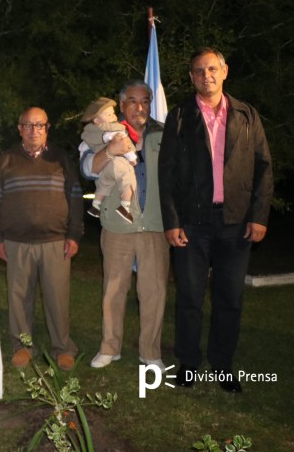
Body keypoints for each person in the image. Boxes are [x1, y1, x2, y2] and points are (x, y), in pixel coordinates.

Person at [159, 48, 273, 393]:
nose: (205, 75)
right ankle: (189, 364)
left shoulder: (247, 115)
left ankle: (223, 366)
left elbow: (264, 168)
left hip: (236, 223)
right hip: (192, 224)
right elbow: (167, 174)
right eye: (198, 71)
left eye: (212, 68)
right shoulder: (180, 116)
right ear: (191, 77)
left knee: (229, 299)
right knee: (190, 298)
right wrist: (172, 221)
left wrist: (259, 215)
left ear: (224, 71)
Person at [79, 81, 169, 370]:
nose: (139, 106)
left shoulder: (163, 135)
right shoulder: (105, 131)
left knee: (153, 292)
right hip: (117, 226)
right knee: (113, 290)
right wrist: (112, 149)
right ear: (121, 104)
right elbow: (87, 167)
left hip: (155, 227)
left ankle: (150, 352)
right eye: (132, 100)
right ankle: (110, 348)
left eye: (145, 101)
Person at [0, 107, 83, 371]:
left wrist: (74, 234)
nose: (33, 131)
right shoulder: (6, 159)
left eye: (39, 125)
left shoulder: (61, 158)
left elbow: (75, 197)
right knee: (19, 298)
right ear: (19, 129)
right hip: (16, 242)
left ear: (47, 128)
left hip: (55, 241)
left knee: (57, 298)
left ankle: (63, 348)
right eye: (27, 125)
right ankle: (22, 346)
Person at [80, 96, 138, 223]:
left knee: (104, 185)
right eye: (109, 114)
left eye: (113, 113)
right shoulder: (117, 129)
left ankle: (95, 205)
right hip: (117, 163)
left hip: (106, 170)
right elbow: (125, 146)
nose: (113, 117)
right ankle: (125, 206)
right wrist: (132, 157)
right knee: (128, 180)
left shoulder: (89, 133)